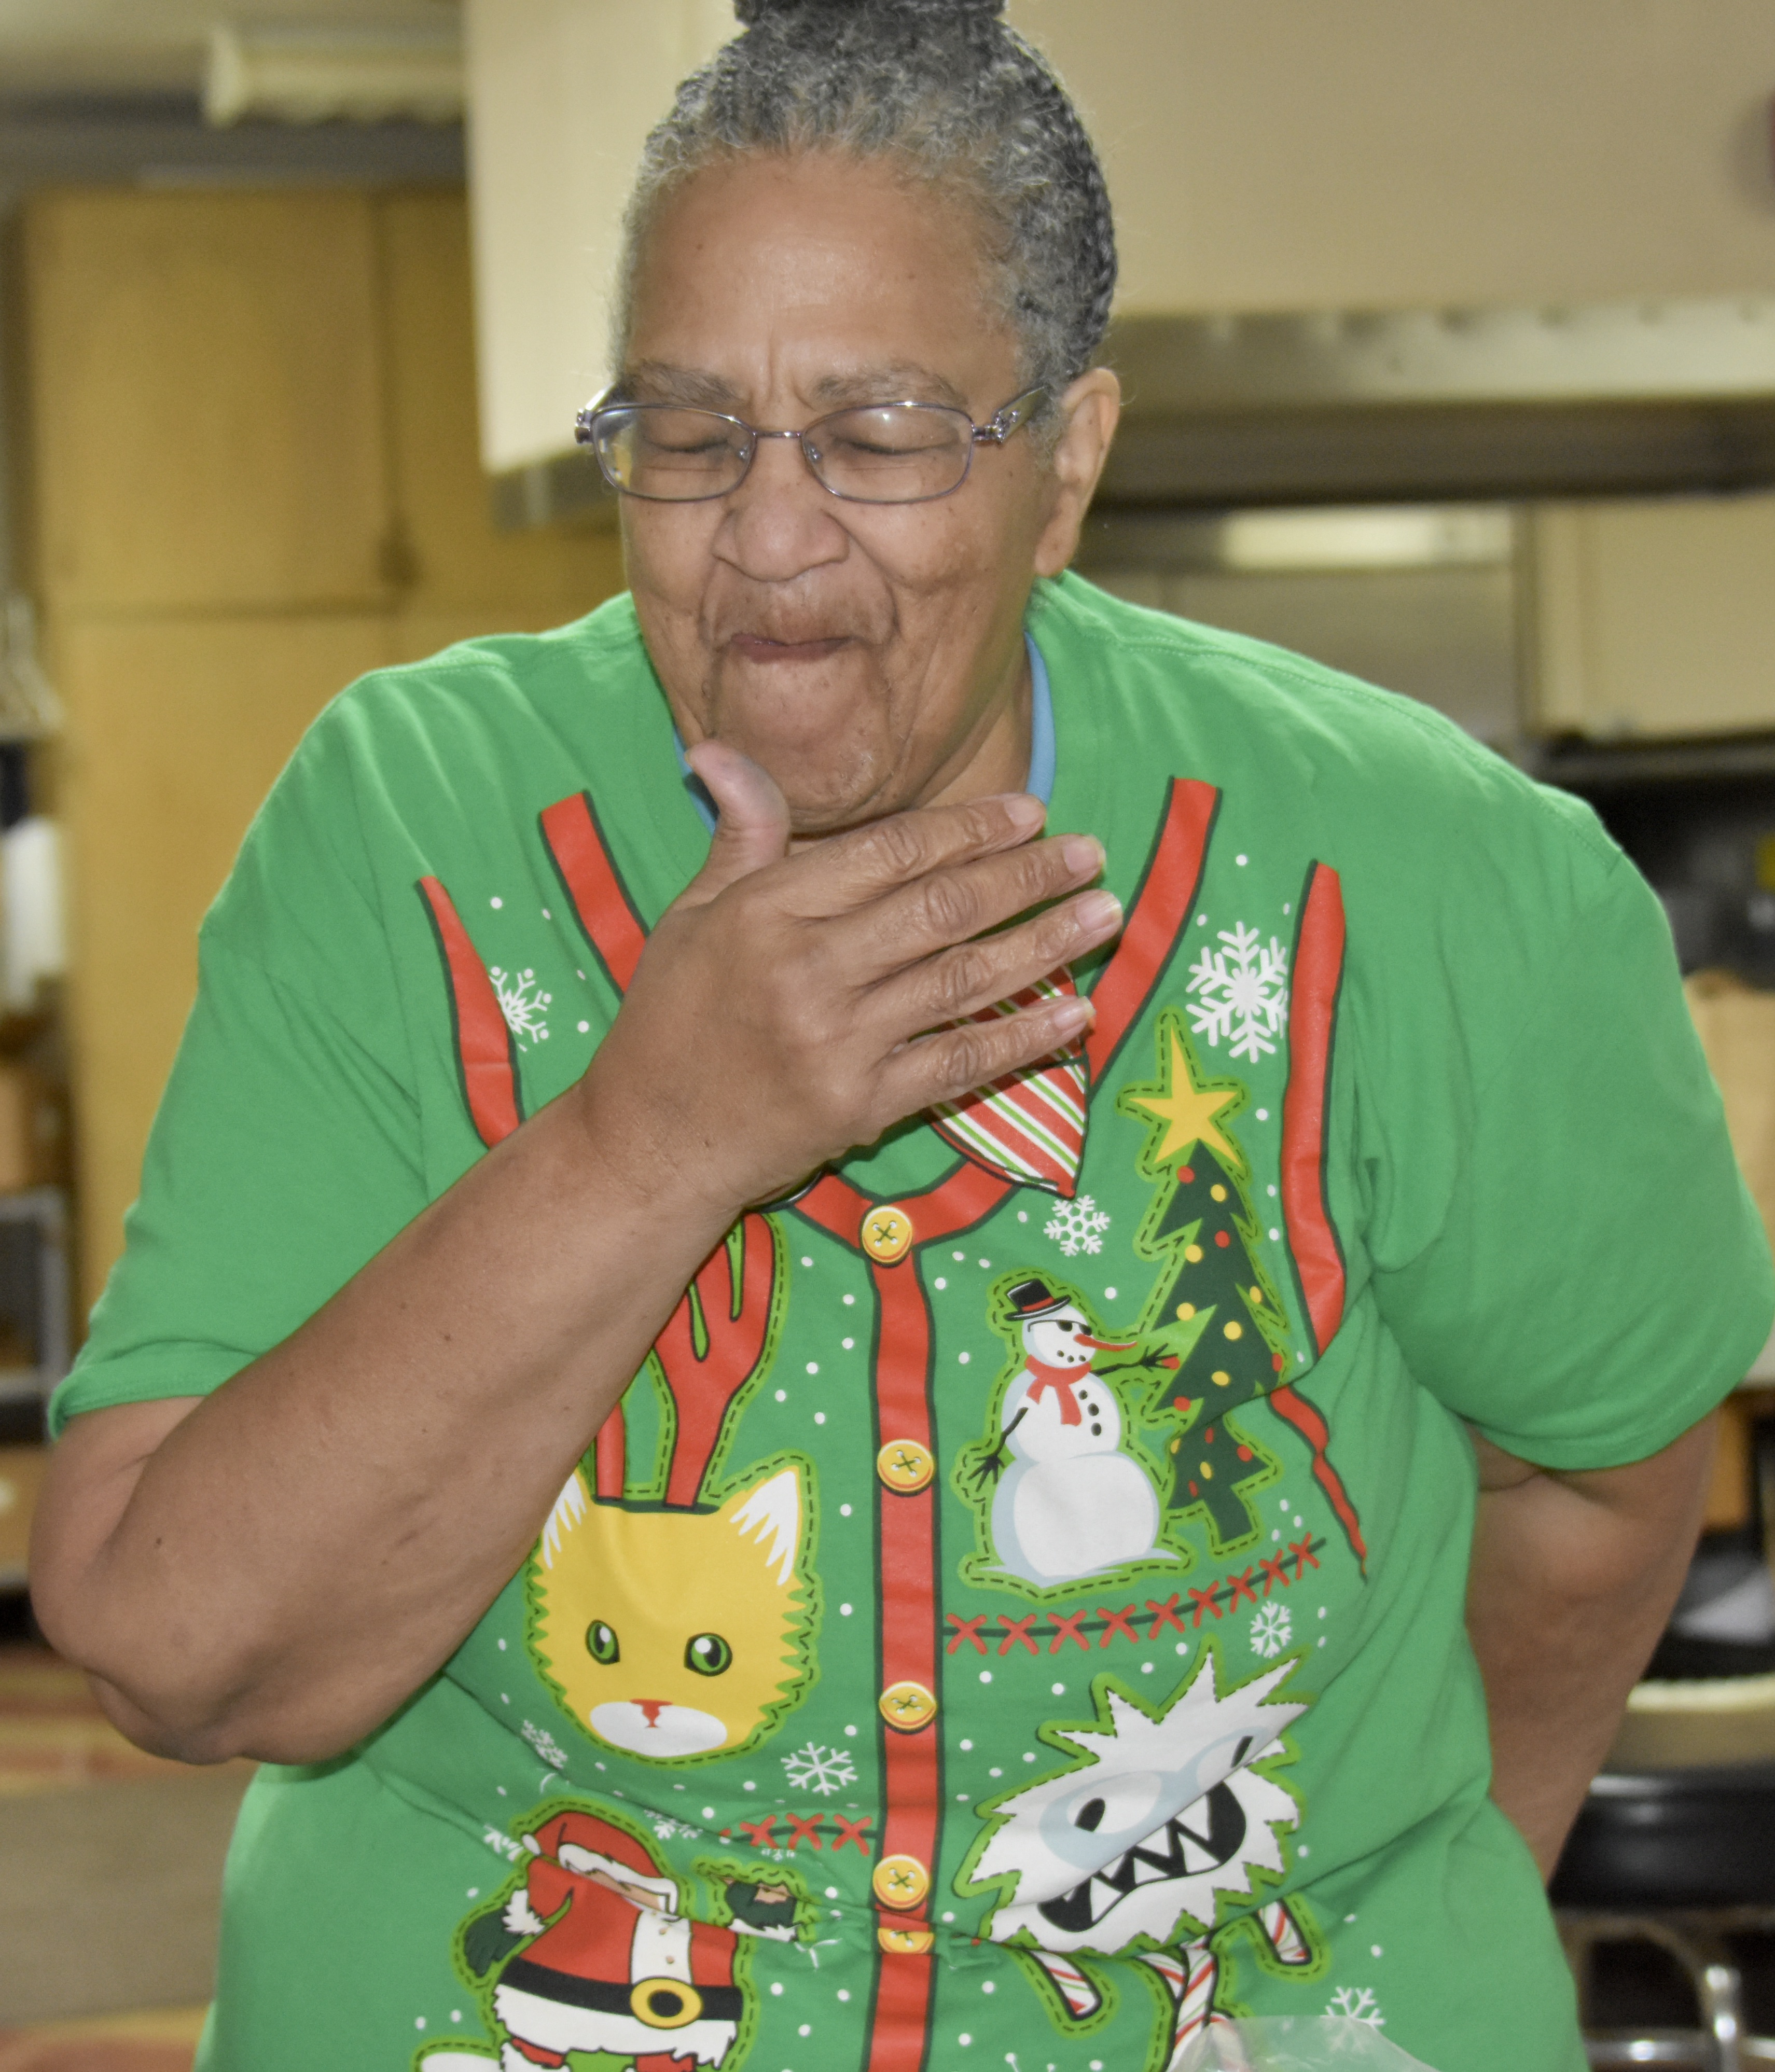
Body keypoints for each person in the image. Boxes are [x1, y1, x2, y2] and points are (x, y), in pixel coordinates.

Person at [29, 2, 1772, 2067]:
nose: (768, 539)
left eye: (877, 436)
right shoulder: (406, 832)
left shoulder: (1441, 883)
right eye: (689, 433)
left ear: (1066, 466)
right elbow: (179, 1648)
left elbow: (1595, 1493)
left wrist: (1352, 1907)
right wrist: (649, 1141)